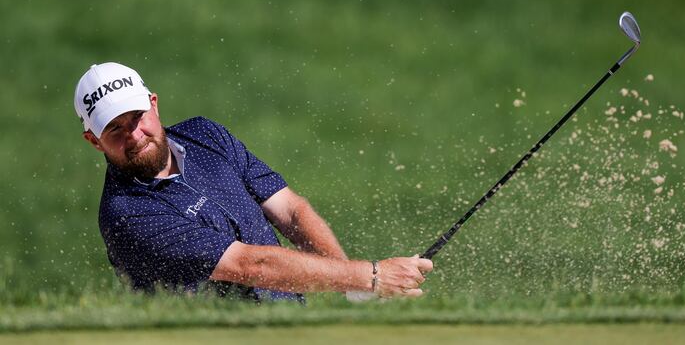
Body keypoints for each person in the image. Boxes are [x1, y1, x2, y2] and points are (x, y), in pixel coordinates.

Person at [74, 62, 432, 302]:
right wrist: (370, 276)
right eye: (114, 128)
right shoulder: (127, 215)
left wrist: (353, 288)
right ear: (94, 140)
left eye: (137, 117)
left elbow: (289, 210)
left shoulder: (204, 135)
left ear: (153, 104)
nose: (134, 135)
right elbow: (250, 266)